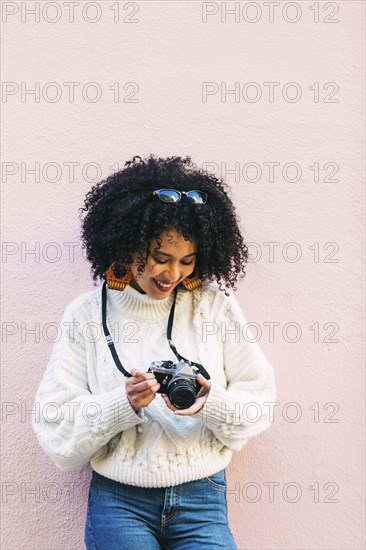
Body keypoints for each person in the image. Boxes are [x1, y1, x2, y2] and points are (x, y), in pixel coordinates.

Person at [32, 155, 276, 550]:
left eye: (187, 261)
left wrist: (209, 402)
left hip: (203, 497)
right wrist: (122, 403)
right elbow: (56, 433)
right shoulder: (87, 314)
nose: (172, 274)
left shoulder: (213, 304)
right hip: (119, 501)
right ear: (128, 247)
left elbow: (260, 404)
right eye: (160, 259)